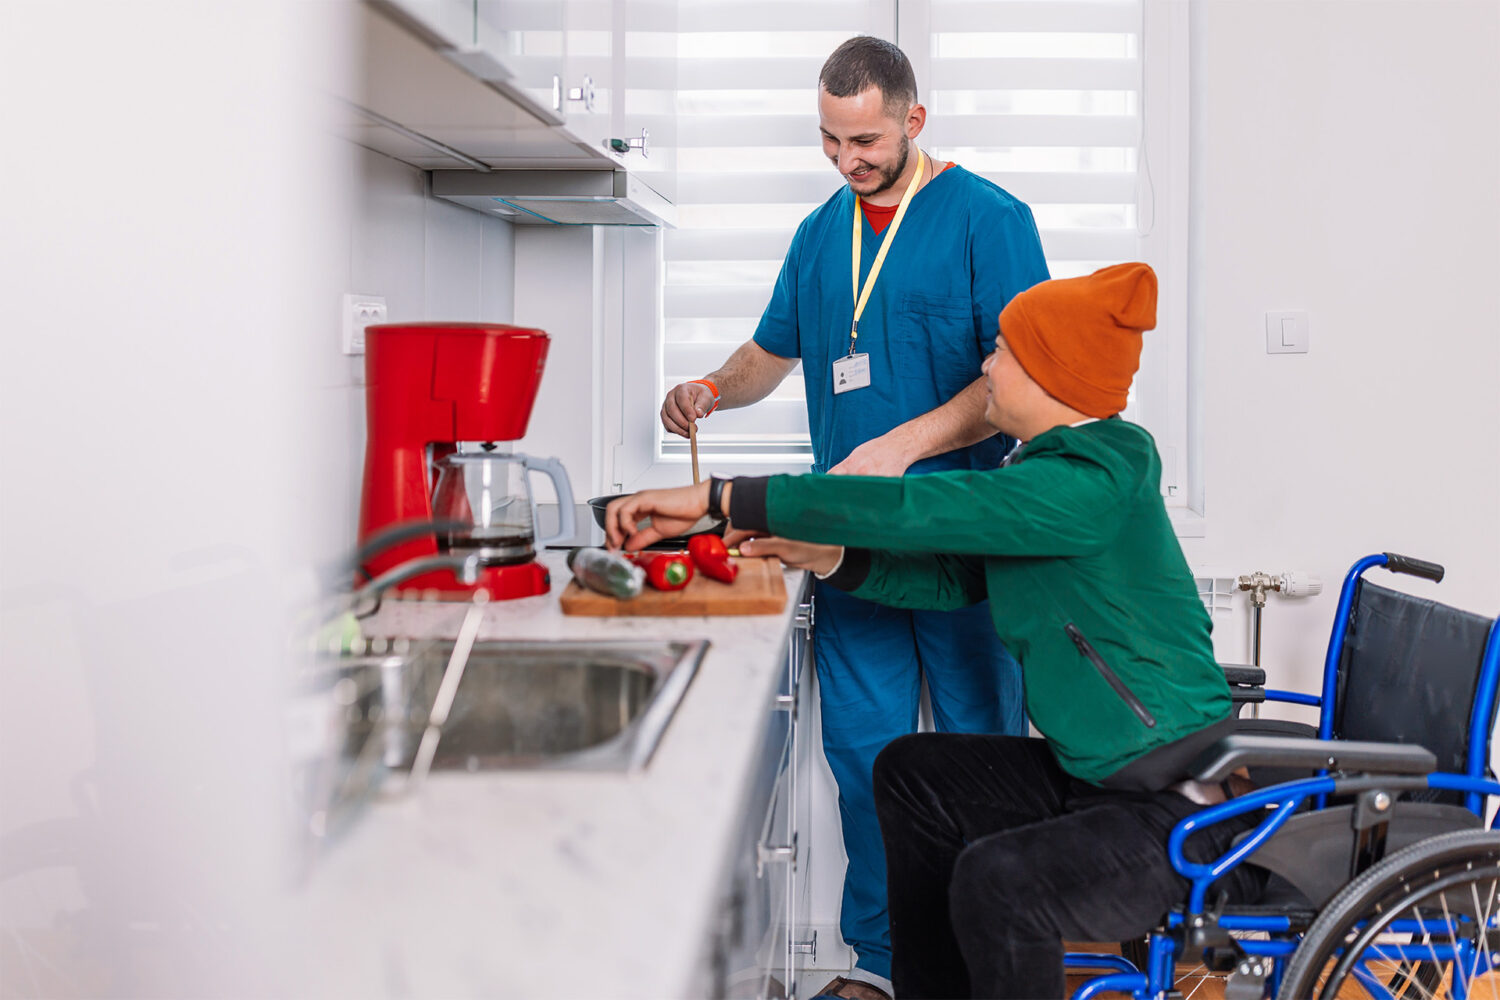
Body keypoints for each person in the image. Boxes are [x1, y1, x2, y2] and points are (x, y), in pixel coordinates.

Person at [608, 263, 1267, 998]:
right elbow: (954, 577)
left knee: (1000, 882)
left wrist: (726, 496)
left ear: (1054, 377)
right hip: (1100, 778)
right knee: (911, 771)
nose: (986, 365)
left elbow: (922, 510)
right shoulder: (1049, 471)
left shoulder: (1093, 477)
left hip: (1178, 806)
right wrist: (832, 557)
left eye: (1005, 353)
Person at [657, 36, 1049, 997]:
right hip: (850, 550)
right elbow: (770, 352)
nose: (847, 161)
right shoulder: (819, 231)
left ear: (915, 119)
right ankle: (878, 963)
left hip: (961, 539)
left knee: (980, 752)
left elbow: (1017, 381)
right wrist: (712, 386)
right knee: (866, 760)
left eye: (865, 140)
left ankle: (981, 960)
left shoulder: (989, 220)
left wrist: (907, 444)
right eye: (830, 141)